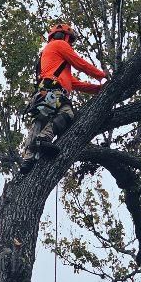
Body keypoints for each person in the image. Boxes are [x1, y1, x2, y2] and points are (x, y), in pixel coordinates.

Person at [20, 23, 108, 174]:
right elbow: (80, 63)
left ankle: (28, 158)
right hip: (54, 91)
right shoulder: (59, 44)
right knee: (67, 113)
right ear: (64, 36)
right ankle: (43, 139)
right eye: (70, 40)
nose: (70, 43)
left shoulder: (53, 60)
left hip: (46, 91)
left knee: (40, 121)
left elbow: (75, 83)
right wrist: (102, 75)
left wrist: (98, 89)